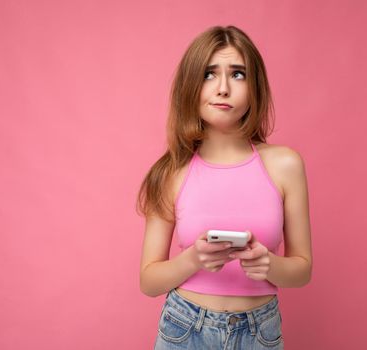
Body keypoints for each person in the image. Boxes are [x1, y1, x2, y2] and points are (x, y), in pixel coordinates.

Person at [137, 25, 312, 349]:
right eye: (208, 74)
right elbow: (148, 281)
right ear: (191, 85)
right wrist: (194, 259)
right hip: (185, 330)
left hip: (261, 331)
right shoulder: (172, 171)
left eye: (238, 74)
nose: (222, 88)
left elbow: (302, 271)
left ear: (255, 86)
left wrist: (269, 265)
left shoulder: (286, 165)